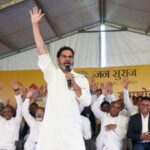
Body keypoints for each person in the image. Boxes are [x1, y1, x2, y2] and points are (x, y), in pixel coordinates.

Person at [30, 6, 91, 150]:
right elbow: (41, 49)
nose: (67, 59)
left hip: (72, 130)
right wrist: (35, 24)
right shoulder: (52, 74)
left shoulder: (81, 78)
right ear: (58, 60)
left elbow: (87, 101)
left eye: (70, 57)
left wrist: (72, 81)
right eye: (64, 56)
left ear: (73, 60)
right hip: (52, 130)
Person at [0, 83, 23, 150]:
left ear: (13, 112)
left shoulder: (17, 120)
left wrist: (16, 90)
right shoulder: (1, 120)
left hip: (11, 147)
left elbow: (20, 105)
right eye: (4, 111)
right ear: (2, 113)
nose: (6, 113)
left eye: (9, 111)